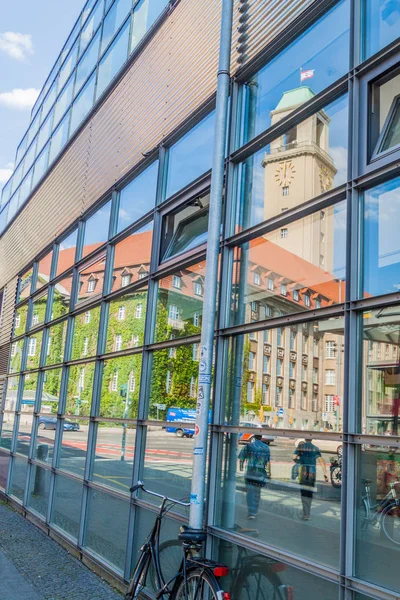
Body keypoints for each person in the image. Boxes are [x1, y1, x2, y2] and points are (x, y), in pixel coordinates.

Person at [293, 439, 328, 521]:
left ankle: (305, 513)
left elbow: (294, 457)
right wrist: (325, 473)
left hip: (303, 473)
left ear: (305, 439)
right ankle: (307, 511)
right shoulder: (315, 448)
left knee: (303, 493)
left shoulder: (301, 447)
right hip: (312, 474)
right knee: (309, 493)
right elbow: (321, 460)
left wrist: (299, 462)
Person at [239, 434, 271, 520]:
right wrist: (269, 474)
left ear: (254, 437)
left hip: (250, 471)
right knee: (257, 492)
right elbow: (267, 462)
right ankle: (255, 510)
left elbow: (241, 458)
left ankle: (251, 512)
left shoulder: (249, 446)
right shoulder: (266, 447)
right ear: (261, 437)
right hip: (261, 472)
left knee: (250, 492)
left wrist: (241, 468)